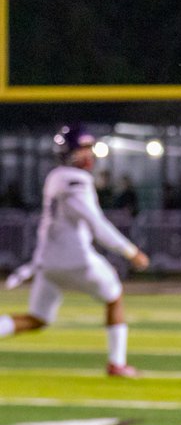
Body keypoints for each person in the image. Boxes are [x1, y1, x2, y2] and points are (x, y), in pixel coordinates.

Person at [0, 125, 151, 376]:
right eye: (83, 149)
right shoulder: (75, 180)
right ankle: (117, 363)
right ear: (67, 152)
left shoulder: (55, 176)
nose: (88, 154)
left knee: (37, 318)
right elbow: (96, 223)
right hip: (75, 259)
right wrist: (129, 250)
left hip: (48, 262)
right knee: (114, 296)